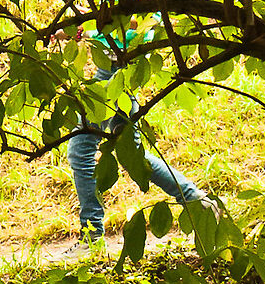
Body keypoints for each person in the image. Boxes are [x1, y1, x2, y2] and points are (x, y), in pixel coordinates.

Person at [66, 23, 211, 240]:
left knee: (80, 151)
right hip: (112, 69)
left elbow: (133, 22)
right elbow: (108, 18)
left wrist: (87, 28)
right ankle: (197, 201)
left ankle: (91, 236)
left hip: (117, 71)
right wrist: (78, 28)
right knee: (133, 156)